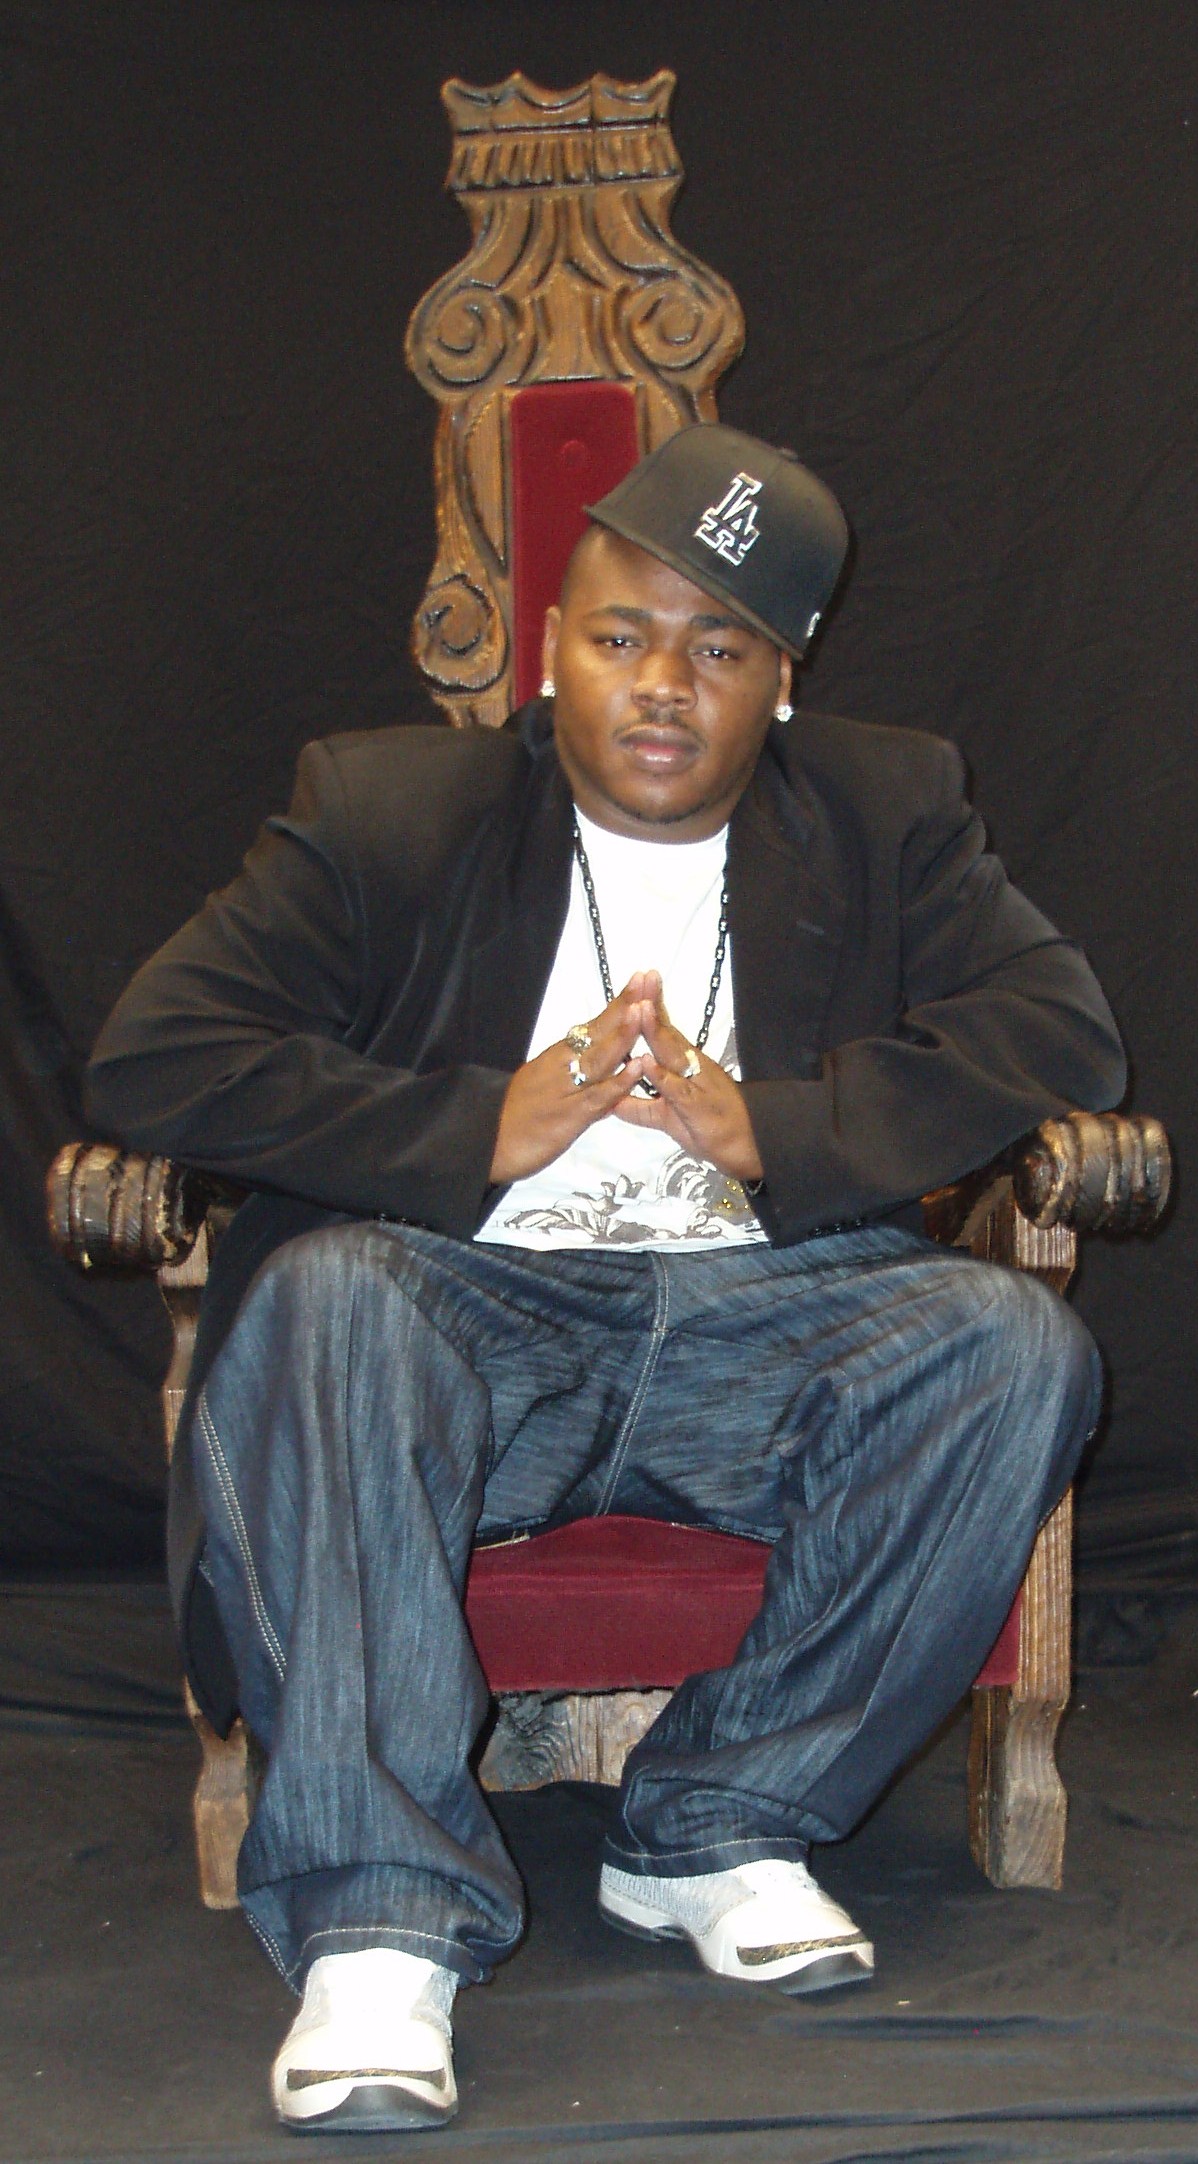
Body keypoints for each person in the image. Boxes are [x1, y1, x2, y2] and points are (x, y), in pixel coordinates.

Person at [86, 424, 1126, 2135]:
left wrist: (779, 1127)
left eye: (719, 647)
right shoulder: (385, 806)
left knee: (1010, 1344)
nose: (662, 684)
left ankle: (716, 1823)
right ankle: (378, 1919)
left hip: (755, 1320)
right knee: (332, 1297)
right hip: (460, 1306)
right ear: (549, 649)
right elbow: (158, 1057)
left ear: (780, 683)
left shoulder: (886, 807)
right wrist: (471, 1126)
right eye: (621, 634)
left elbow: (1056, 1029)